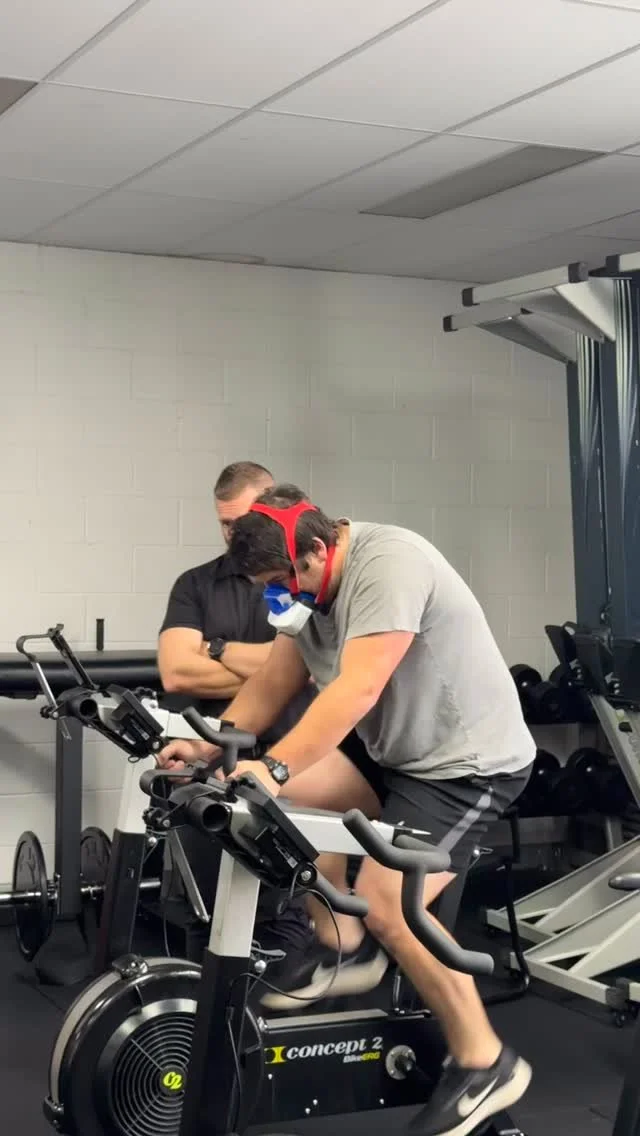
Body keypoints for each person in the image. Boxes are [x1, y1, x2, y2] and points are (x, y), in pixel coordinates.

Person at [158, 484, 536, 1136]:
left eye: (283, 582)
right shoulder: (305, 588)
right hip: (395, 750)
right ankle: (345, 940)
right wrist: (209, 745)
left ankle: (486, 1062)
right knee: (276, 803)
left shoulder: (389, 565)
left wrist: (275, 766)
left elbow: (357, 689)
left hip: (466, 764)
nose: (279, 596)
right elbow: (276, 680)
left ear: (314, 551)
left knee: (393, 903)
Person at [157, 462, 314, 969]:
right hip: (212, 755)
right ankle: (199, 1003)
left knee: (282, 902)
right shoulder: (195, 584)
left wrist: (216, 647)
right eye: (224, 523)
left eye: (241, 521)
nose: (232, 533)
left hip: (285, 758)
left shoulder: (300, 582)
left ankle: (274, 1000)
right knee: (201, 906)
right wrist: (270, 670)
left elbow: (304, 670)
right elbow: (177, 673)